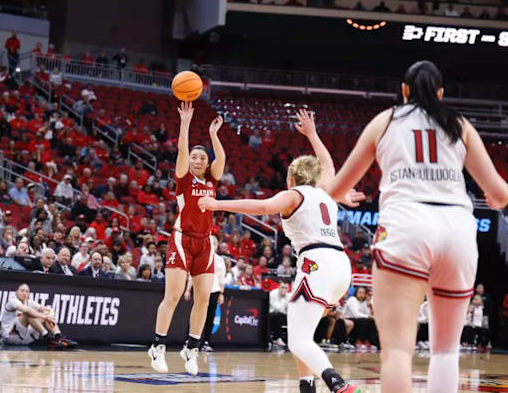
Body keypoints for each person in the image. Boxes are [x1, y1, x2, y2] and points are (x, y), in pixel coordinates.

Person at [322, 60, 508, 392]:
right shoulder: (459, 124)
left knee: (397, 351)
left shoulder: (386, 120)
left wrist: (341, 195)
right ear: (440, 93)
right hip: (457, 230)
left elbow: (337, 188)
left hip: (406, 226)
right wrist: (494, 201)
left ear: (404, 90)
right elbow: (500, 193)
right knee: (445, 352)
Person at [199, 108, 364, 393]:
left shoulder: (294, 194)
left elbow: (262, 207)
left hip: (317, 263)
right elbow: (327, 164)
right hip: (341, 266)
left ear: (290, 179)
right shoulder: (326, 193)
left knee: (297, 340)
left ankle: (338, 384)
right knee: (304, 331)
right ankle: (305, 385)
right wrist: (312, 134)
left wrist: (217, 204)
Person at [148, 102, 226, 376]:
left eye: (202, 157)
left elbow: (222, 162)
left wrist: (214, 135)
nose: (198, 160)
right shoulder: (183, 179)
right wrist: (185, 123)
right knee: (174, 296)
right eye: (195, 156)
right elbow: (182, 150)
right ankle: (157, 346)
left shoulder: (212, 180)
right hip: (181, 239)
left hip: (205, 242)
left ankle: (191, 348)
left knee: (204, 299)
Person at [0, 283, 77, 349]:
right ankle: (47, 337)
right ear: (16, 292)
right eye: (22, 291)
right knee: (29, 314)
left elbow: (50, 310)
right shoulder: (12, 301)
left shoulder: (30, 302)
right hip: (10, 337)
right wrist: (45, 317)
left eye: (27, 291)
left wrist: (49, 316)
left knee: (45, 313)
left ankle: (58, 336)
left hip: (26, 338)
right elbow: (27, 310)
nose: (24, 293)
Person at [269, 281, 290, 346]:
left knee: (291, 317)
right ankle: (277, 338)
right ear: (279, 287)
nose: (284, 289)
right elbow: (278, 308)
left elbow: (289, 310)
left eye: (286, 288)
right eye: (282, 287)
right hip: (270, 315)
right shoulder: (272, 294)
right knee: (280, 315)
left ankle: (289, 339)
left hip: (281, 315)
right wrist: (283, 299)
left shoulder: (288, 296)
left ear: (288, 289)